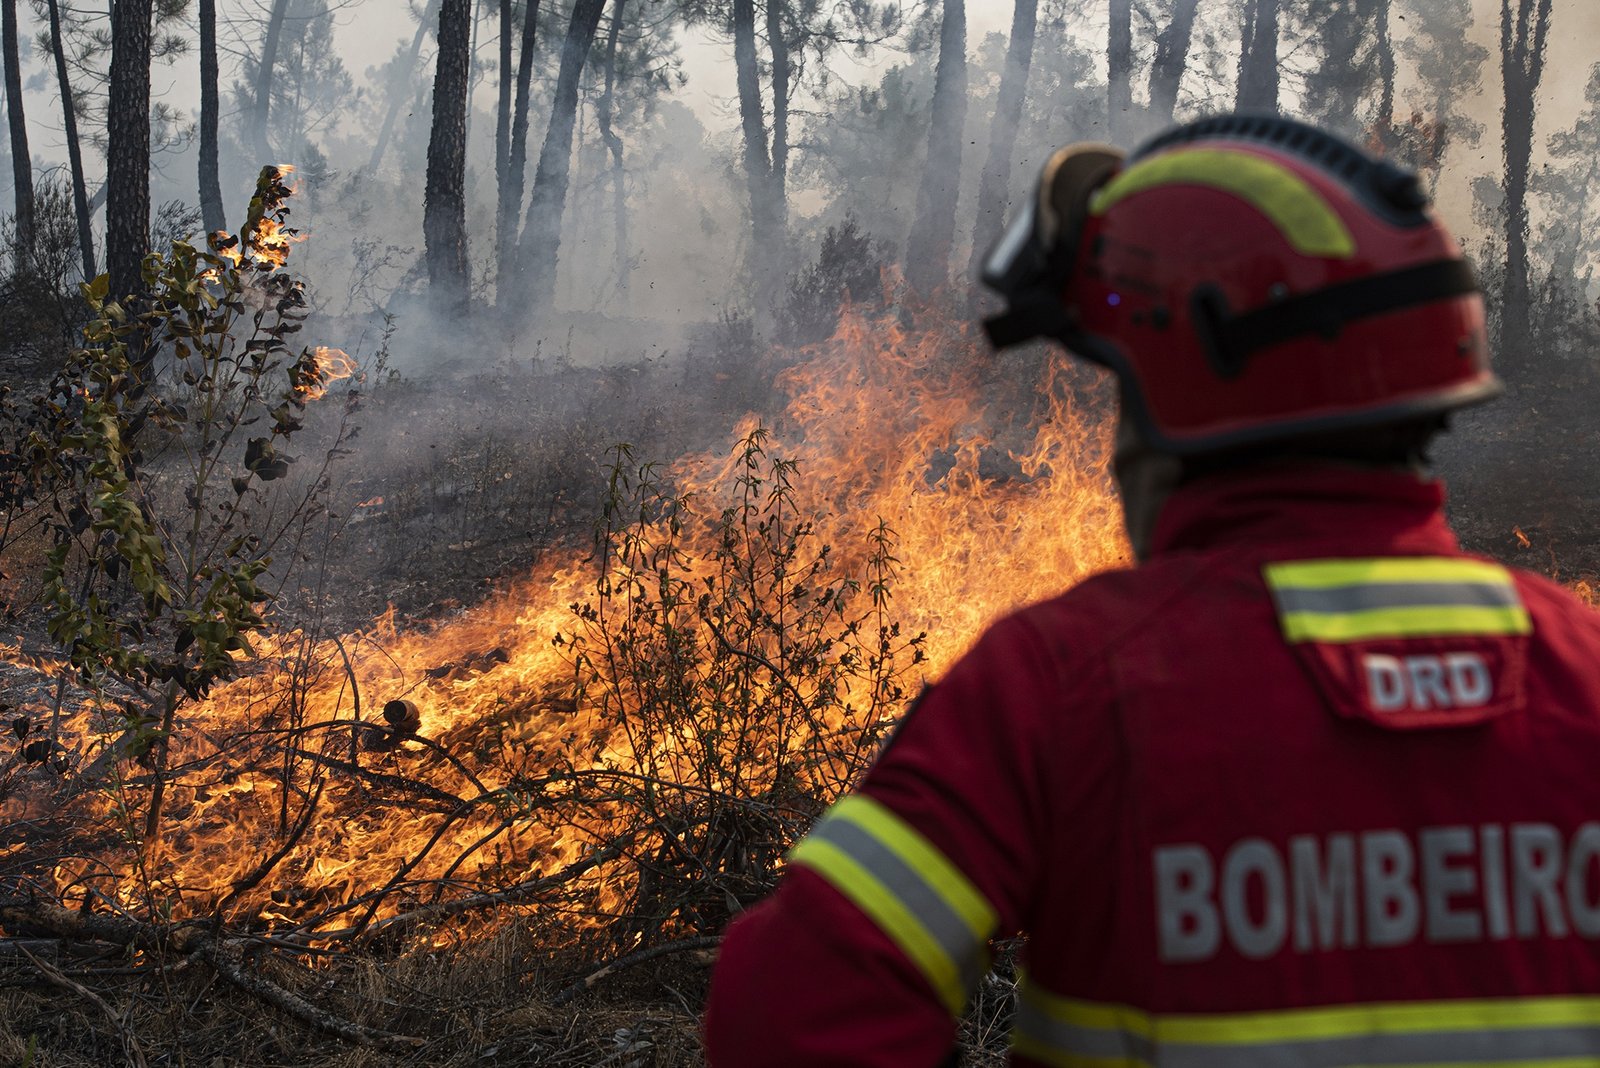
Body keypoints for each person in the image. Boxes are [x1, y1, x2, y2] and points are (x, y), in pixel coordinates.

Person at [701, 114, 1600, 1067]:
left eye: (1125, 393)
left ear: (1181, 395)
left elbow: (788, 1011)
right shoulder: (1582, 667)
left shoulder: (1063, 687)